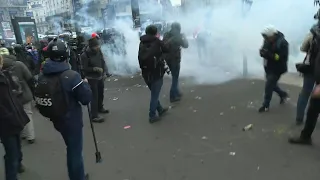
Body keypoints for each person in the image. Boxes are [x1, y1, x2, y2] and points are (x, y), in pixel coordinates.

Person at [35, 38, 92, 180]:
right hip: (71, 120)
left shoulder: (43, 73)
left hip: (57, 118)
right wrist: (85, 84)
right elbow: (86, 99)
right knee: (75, 152)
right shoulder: (71, 76)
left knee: (71, 148)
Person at [0, 54, 30, 180]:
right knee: (11, 152)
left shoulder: (5, 75)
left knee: (17, 146)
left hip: (14, 116)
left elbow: (15, 91)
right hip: (6, 121)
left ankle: (18, 163)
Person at [0, 47, 36, 144]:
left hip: (10, 96)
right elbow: (29, 77)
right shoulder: (18, 64)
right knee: (28, 113)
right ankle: (30, 136)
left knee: (16, 113)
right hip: (23, 92)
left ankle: (22, 133)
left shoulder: (1, 67)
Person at [138, 25, 169, 123]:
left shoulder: (142, 42)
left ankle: (159, 109)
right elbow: (166, 49)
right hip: (156, 72)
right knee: (155, 95)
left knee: (154, 92)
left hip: (145, 73)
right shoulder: (157, 42)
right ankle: (152, 115)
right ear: (155, 32)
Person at [258, 25, 289, 112]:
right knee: (271, 84)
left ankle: (265, 105)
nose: (265, 39)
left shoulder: (283, 43)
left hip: (277, 69)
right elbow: (264, 50)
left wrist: (269, 54)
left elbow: (282, 58)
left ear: (273, 35)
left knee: (269, 85)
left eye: (267, 37)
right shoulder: (267, 40)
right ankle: (283, 94)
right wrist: (262, 52)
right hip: (268, 66)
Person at [294, 25, 320, 125]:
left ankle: (299, 118)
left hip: (311, 68)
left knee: (305, 92)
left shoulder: (313, 33)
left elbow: (303, 48)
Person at [81, 37, 109, 123]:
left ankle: (100, 107)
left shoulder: (99, 51)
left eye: (98, 45)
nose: (98, 47)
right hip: (91, 78)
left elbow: (102, 61)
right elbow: (84, 68)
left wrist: (105, 72)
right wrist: (94, 69)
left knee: (101, 94)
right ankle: (94, 115)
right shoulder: (84, 55)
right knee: (94, 96)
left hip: (100, 77)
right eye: (96, 46)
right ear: (91, 46)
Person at [163, 22, 189, 103]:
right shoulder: (178, 36)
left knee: (175, 76)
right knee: (175, 77)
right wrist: (184, 37)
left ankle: (176, 92)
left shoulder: (166, 34)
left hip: (167, 58)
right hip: (175, 58)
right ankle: (173, 96)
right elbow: (186, 45)